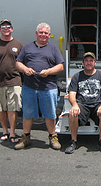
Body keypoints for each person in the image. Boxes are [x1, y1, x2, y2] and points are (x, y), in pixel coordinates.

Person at [14, 22, 64, 150]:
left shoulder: (53, 49)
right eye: (41, 32)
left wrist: (48, 72)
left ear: (49, 35)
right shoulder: (27, 47)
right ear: (37, 33)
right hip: (30, 87)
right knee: (27, 114)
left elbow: (60, 66)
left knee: (50, 114)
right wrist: (25, 69)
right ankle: (26, 138)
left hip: (48, 87)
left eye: (46, 33)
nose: (43, 35)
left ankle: (53, 137)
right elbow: (18, 63)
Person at [0, 19, 24, 143]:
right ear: (0, 29)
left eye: (8, 26)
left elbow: (23, 63)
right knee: (1, 109)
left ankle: (12, 132)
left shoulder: (18, 45)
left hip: (14, 80)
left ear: (12, 29)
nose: (6, 28)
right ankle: (4, 130)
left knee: (13, 108)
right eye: (3, 27)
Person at [65, 52, 101, 154]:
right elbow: (72, 94)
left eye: (91, 61)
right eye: (86, 61)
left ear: (95, 62)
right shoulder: (77, 76)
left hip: (97, 104)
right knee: (72, 113)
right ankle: (73, 141)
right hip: (82, 104)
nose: (89, 63)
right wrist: (74, 105)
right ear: (83, 63)